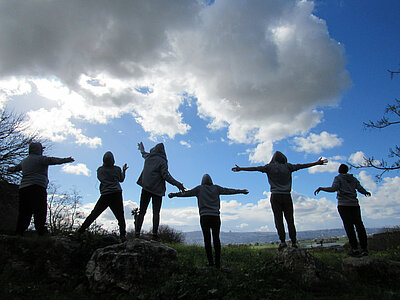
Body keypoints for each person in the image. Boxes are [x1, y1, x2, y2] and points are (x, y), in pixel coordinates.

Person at [232, 151, 327, 250]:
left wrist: (241, 168)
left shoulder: (269, 167)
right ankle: (294, 242)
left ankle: (282, 242)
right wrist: (316, 163)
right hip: (287, 196)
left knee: (278, 220)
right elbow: (302, 166)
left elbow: (255, 168)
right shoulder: (288, 167)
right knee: (290, 220)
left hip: (275, 196)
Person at [169, 174, 248, 268]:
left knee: (207, 240)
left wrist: (174, 194)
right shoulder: (217, 188)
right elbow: (228, 191)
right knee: (216, 239)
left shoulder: (199, 189)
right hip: (216, 217)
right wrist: (241, 191)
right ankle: (217, 263)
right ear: (211, 180)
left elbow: (186, 193)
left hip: (204, 217)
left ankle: (210, 263)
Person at [7, 142, 74, 236]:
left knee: (24, 211)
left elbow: (15, 168)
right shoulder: (41, 159)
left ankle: (19, 232)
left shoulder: (24, 161)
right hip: (37, 187)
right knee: (40, 210)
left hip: (24, 188)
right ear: (38, 149)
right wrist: (66, 160)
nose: (42, 151)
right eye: (41, 149)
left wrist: (9, 169)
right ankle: (41, 231)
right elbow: (53, 160)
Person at [314, 164, 371, 257]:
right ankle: (364, 248)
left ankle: (355, 249)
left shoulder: (338, 178)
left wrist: (321, 188)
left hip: (343, 205)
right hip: (354, 204)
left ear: (339, 170)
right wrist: (365, 192)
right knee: (359, 226)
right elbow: (360, 188)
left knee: (349, 227)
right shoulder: (353, 179)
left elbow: (333, 189)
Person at [135, 142, 185, 240]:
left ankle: (137, 233)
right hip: (157, 190)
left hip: (145, 188)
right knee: (156, 212)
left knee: (142, 211)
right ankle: (154, 234)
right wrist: (177, 184)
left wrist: (141, 147)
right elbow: (166, 176)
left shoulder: (148, 157)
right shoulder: (162, 161)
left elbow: (143, 153)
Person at [77, 151, 128, 241]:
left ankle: (80, 232)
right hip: (117, 193)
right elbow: (121, 180)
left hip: (105, 194)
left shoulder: (100, 170)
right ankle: (123, 236)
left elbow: (100, 179)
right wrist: (123, 171)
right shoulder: (117, 169)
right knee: (120, 216)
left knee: (94, 213)